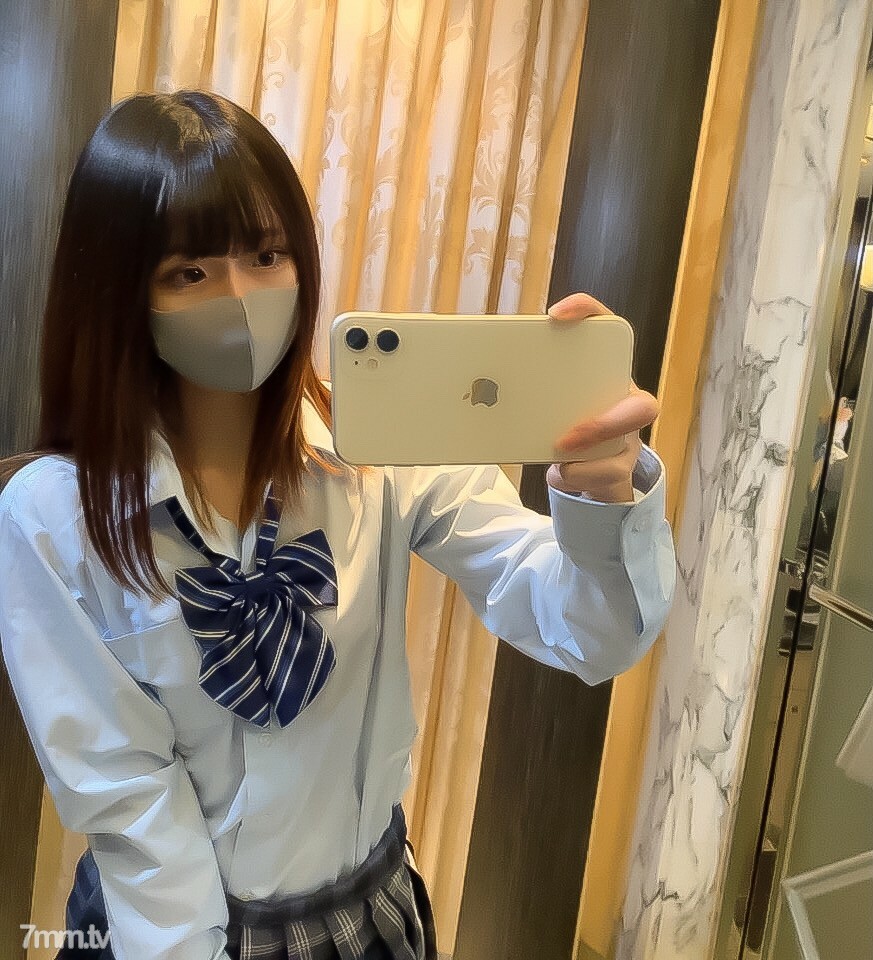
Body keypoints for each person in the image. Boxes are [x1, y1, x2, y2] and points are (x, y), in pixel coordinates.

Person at [0, 90, 675, 960]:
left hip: (368, 919)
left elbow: (585, 630)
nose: (240, 298)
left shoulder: (380, 447)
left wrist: (600, 501)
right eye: (188, 272)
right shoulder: (53, 517)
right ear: (118, 289)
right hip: (156, 933)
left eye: (266, 255)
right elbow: (124, 789)